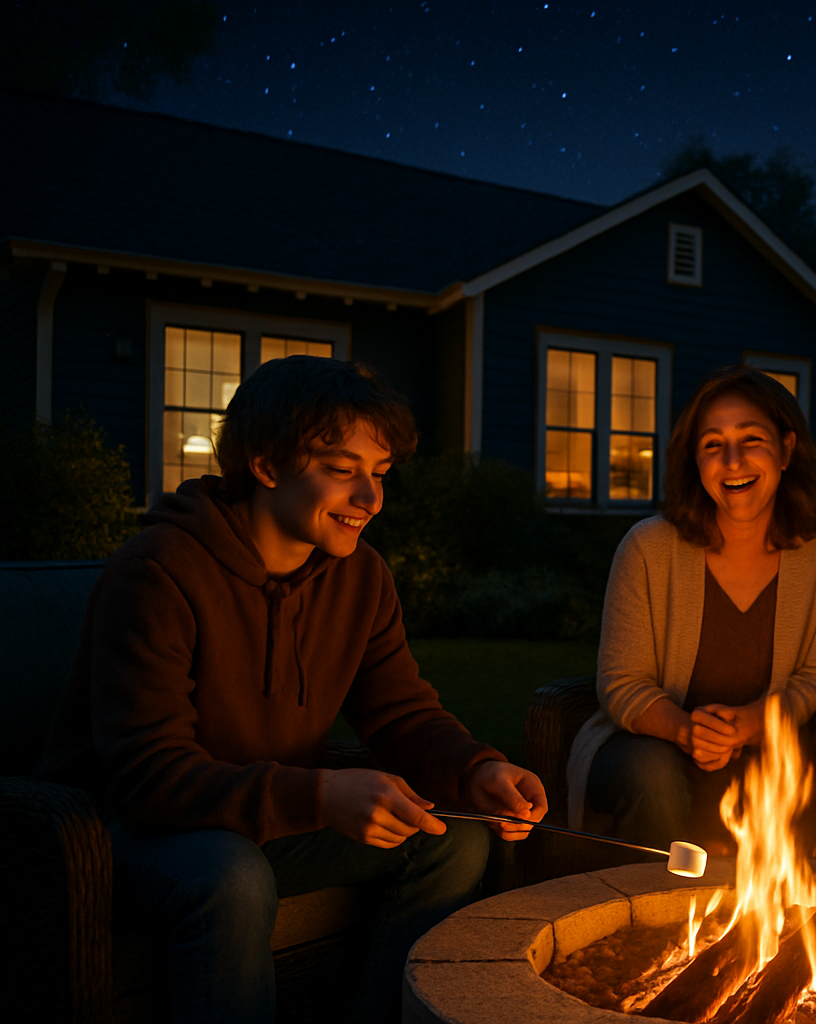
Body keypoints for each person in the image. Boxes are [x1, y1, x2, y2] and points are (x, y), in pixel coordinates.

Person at [36, 356, 548, 1024]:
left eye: (380, 473)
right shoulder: (159, 572)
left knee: (455, 838)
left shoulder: (359, 577)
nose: (371, 499)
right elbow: (145, 778)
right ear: (266, 465)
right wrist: (318, 795)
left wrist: (478, 769)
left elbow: (400, 712)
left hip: (262, 817)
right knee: (230, 873)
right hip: (118, 835)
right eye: (342, 471)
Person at [566, 365, 816, 849]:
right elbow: (621, 682)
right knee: (653, 774)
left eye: (751, 439)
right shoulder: (648, 547)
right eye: (712, 445)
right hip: (652, 745)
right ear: (695, 460)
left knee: (789, 777)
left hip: (772, 748)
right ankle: (652, 917)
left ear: (787, 449)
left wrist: (751, 724)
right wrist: (688, 733)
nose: (732, 461)